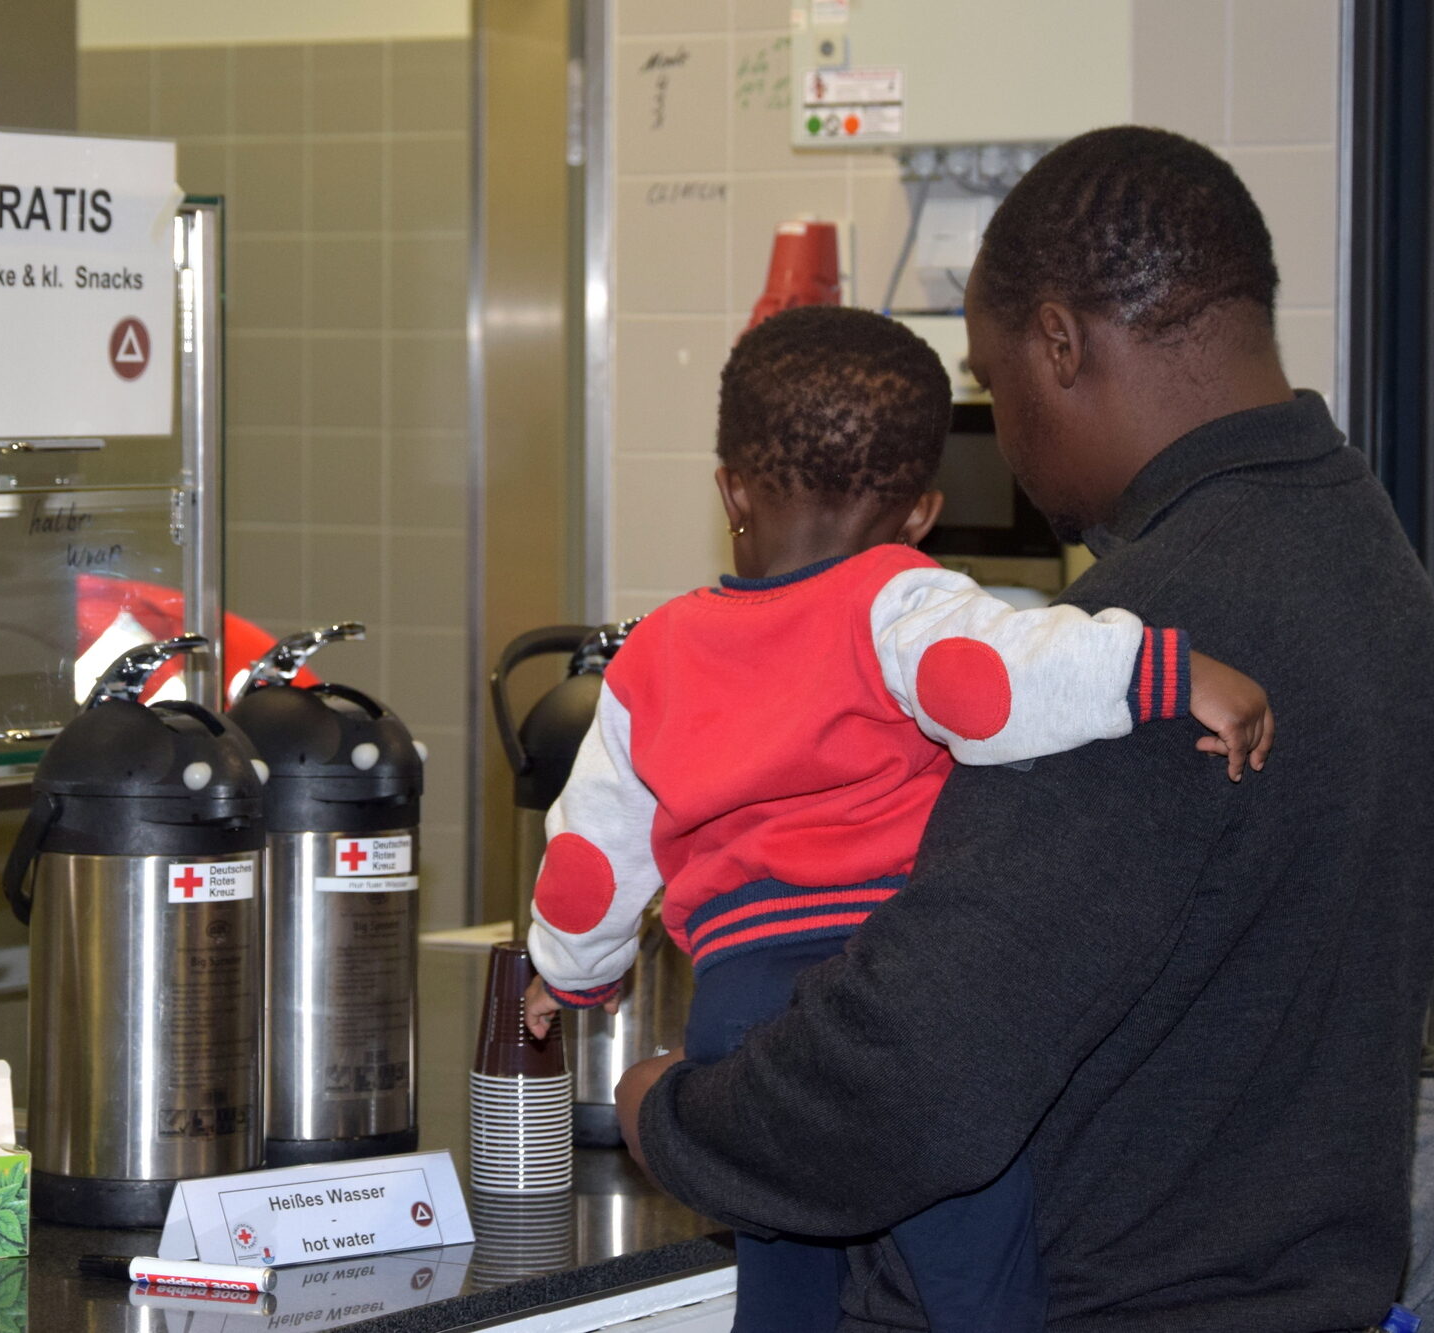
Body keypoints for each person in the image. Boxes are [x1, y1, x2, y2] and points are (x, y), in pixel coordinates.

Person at [614, 125, 1434, 1331]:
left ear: (1058, 343)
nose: (997, 440)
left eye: (992, 382)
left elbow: (910, 1078)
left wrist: (671, 1115)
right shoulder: (1361, 554)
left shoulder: (1150, 645)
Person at [522, 304, 1272, 1332]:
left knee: (783, 1292)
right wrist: (1165, 668)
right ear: (919, 512)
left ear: (729, 492)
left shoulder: (652, 652)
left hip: (738, 1012)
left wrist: (565, 973)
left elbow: (589, 862)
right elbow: (999, 683)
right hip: (894, 1006)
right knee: (978, 1286)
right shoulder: (898, 600)